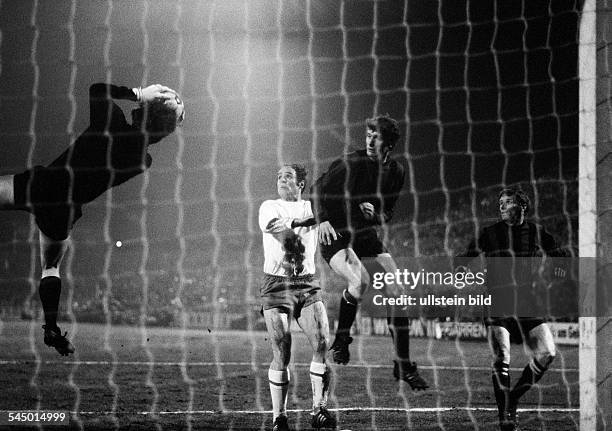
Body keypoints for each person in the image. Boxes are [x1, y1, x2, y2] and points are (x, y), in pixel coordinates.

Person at [0, 83, 185, 356]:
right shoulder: (142, 160)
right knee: (50, 268)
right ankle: (51, 327)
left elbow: (97, 89)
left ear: (140, 111)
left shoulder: (110, 123)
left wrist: (137, 93)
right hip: (65, 209)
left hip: (43, 184)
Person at [310, 114, 428, 390]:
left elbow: (388, 212)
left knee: (397, 288)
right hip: (335, 232)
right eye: (368, 134)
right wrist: (323, 218)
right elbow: (316, 190)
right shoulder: (351, 163)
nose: (370, 139)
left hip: (364, 234)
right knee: (360, 281)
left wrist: (376, 215)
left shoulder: (396, 172)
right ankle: (341, 340)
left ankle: (402, 363)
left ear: (389, 144)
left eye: (377, 135)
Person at [457, 187, 563, 431]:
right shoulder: (490, 232)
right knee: (501, 355)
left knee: (548, 353)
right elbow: (465, 257)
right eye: (500, 202)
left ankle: (511, 398)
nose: (502, 206)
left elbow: (559, 258)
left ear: (522, 206)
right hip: (498, 300)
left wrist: (559, 274)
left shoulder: (537, 231)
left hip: (528, 302)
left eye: (507, 202)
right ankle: (506, 414)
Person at [258, 164, 337, 431]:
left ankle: (319, 409)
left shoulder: (313, 207)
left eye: (288, 176)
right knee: (282, 347)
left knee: (323, 340)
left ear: (301, 184)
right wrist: (294, 237)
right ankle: (279, 417)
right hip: (277, 284)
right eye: (279, 175)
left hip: (307, 283)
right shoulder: (269, 206)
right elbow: (279, 231)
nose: (281, 179)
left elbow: (333, 215)